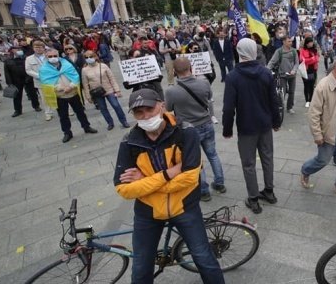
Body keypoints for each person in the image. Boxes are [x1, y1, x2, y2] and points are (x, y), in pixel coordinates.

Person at [113, 89, 225, 284]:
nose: (146, 116)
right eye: (139, 112)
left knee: (203, 258)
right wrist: (167, 174)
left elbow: (190, 177)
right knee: (141, 268)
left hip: (184, 207)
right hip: (148, 213)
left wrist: (144, 181)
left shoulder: (185, 132)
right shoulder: (129, 142)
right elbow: (123, 189)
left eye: (150, 109)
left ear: (162, 105)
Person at [222, 38, 281, 214]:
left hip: (246, 127)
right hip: (264, 125)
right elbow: (274, 100)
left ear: (239, 52)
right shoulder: (266, 73)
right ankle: (269, 191)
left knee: (248, 164)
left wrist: (227, 129)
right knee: (268, 158)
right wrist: (276, 122)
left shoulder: (233, 76)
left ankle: (254, 198)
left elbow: (228, 107)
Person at [166, 57, 226, 202]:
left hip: (189, 130)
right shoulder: (204, 82)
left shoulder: (171, 91)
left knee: (196, 160)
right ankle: (220, 184)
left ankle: (204, 191)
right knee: (213, 154)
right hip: (206, 123)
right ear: (190, 67)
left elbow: (168, 109)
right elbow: (209, 98)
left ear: (174, 72)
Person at [300, 54, 336, 198]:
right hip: (329, 132)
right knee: (323, 160)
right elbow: (313, 113)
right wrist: (317, 135)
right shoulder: (323, 85)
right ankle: (305, 170)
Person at [39, 49, 98, 143]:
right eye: (50, 57)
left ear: (58, 56)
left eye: (55, 56)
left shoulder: (66, 64)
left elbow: (75, 76)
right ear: (46, 57)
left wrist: (71, 86)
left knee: (80, 112)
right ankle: (67, 133)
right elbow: (46, 83)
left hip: (73, 92)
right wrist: (61, 88)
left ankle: (86, 127)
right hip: (60, 95)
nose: (53, 58)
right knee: (63, 116)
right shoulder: (44, 69)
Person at [81, 50, 130, 131]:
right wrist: (88, 96)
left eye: (90, 56)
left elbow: (112, 78)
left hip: (108, 89)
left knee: (116, 105)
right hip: (96, 92)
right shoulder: (84, 70)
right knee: (103, 108)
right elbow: (85, 84)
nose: (89, 58)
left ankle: (123, 121)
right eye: (86, 57)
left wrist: (117, 90)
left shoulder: (103, 66)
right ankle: (110, 123)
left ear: (95, 57)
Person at [4, 46, 41, 117]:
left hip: (28, 79)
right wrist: (9, 83)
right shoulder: (8, 60)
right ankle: (17, 110)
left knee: (33, 94)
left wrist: (30, 77)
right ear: (12, 51)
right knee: (17, 96)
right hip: (16, 80)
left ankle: (36, 106)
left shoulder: (26, 58)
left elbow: (30, 69)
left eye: (19, 49)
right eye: (16, 49)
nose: (18, 50)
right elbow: (7, 73)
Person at [267, 35, 299, 114]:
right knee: (282, 92)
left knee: (292, 92)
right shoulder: (279, 51)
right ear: (284, 42)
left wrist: (294, 70)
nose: (290, 43)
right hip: (282, 75)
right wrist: (267, 70)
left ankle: (289, 107)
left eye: (291, 41)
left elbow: (297, 63)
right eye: (288, 41)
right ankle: (280, 106)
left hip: (292, 75)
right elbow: (272, 61)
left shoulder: (294, 51)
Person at [24, 40, 54, 121]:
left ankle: (66, 110)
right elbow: (28, 70)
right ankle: (48, 113)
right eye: (36, 47)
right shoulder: (29, 58)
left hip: (53, 79)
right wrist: (39, 76)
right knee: (45, 98)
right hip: (40, 81)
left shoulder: (49, 55)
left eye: (40, 47)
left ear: (44, 48)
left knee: (59, 95)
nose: (38, 49)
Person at [300, 37, 319, 108]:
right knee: (306, 85)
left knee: (312, 86)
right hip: (305, 70)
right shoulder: (302, 50)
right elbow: (302, 60)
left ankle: (310, 100)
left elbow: (317, 59)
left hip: (313, 70)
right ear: (307, 43)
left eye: (312, 42)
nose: (311, 43)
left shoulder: (315, 50)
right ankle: (307, 100)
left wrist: (309, 60)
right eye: (310, 42)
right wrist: (312, 59)